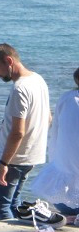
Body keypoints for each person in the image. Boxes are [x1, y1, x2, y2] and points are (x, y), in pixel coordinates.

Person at [0, 44, 51, 221]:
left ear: (9, 61)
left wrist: (4, 164)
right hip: (31, 155)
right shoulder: (38, 79)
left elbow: (17, 132)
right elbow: (48, 118)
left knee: (0, 207)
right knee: (13, 203)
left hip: (13, 158)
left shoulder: (19, 89)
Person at [27, 67, 79, 221]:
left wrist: (55, 162)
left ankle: (71, 218)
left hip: (60, 195)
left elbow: (54, 134)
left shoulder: (66, 98)